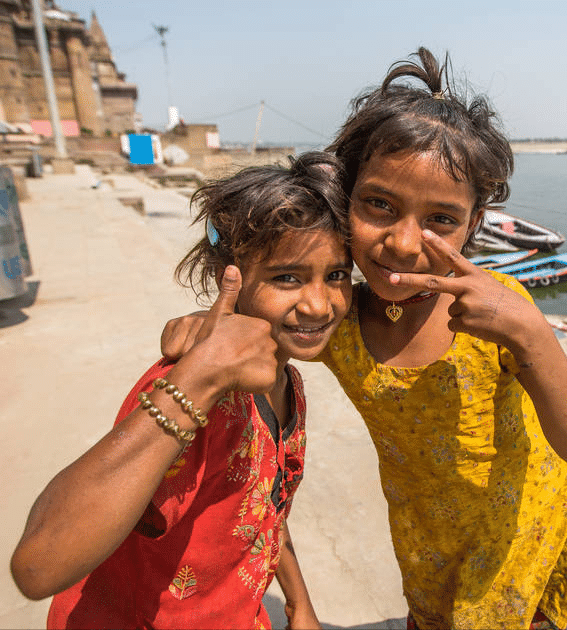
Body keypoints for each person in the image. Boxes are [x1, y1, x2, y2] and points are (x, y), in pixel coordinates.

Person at [162, 48, 567, 630]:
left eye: (440, 220)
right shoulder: (338, 321)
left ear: (473, 225)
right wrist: (204, 325)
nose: (403, 243)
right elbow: (258, 328)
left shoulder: (499, 311)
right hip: (430, 556)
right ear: (344, 199)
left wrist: (532, 334)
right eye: (379, 205)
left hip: (526, 553)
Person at [10, 151, 351, 630]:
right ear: (227, 277)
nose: (319, 304)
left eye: (336, 275)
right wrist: (199, 377)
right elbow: (38, 565)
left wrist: (298, 603)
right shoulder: (187, 393)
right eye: (286, 278)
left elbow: (263, 504)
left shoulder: (286, 381)